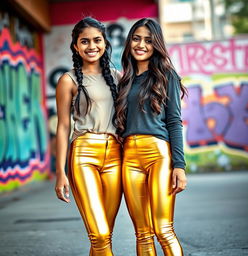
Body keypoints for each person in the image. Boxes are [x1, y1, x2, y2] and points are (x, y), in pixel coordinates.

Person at [115, 18, 187, 256]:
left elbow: (174, 122)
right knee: (142, 233)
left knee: (163, 228)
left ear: (156, 44)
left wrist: (179, 166)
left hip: (159, 155)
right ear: (129, 42)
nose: (141, 44)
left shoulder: (166, 75)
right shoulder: (125, 80)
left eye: (148, 40)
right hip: (130, 159)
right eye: (136, 38)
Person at [55, 17, 122, 256]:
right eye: (84, 41)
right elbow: (63, 127)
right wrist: (60, 172)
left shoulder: (118, 77)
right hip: (83, 155)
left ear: (105, 42)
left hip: (116, 156)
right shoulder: (68, 80)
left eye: (96, 40)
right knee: (100, 233)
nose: (91, 46)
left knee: (104, 236)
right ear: (75, 46)